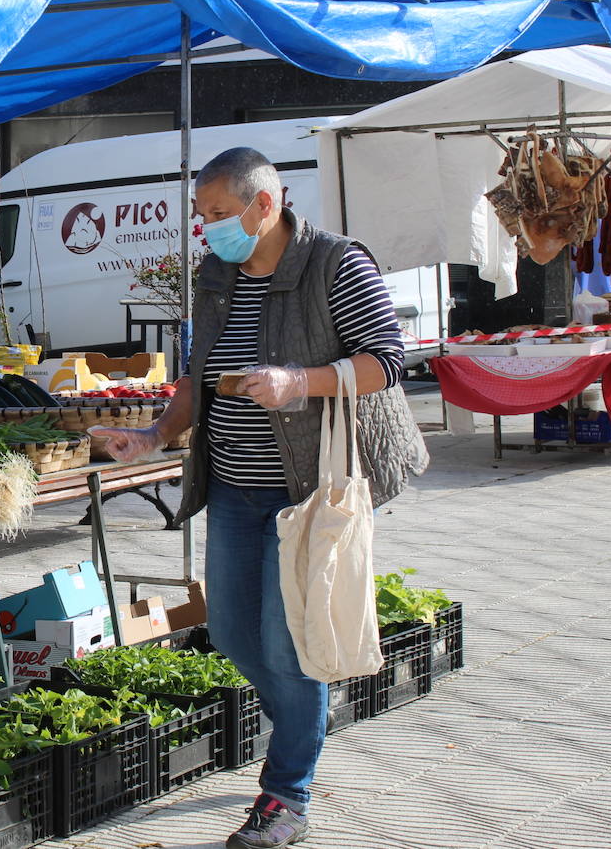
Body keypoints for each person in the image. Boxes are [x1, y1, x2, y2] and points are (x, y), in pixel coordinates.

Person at [92, 148, 427, 849]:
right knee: (237, 635)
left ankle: (285, 797)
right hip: (236, 491)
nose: (204, 228)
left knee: (288, 645)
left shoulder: (334, 263)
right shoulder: (216, 274)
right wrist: (154, 436)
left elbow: (388, 360)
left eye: (216, 214)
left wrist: (299, 382)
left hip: (307, 493)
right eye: (201, 214)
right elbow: (200, 374)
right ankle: (305, 716)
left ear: (264, 205)